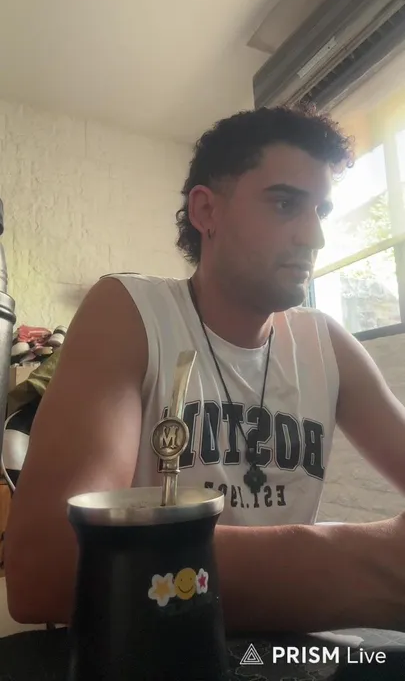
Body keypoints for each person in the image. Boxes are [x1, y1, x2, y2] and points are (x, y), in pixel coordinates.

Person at [5, 106, 405, 632]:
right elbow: (50, 566)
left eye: (321, 211)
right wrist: (373, 565)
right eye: (285, 203)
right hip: (154, 653)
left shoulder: (326, 342)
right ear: (206, 210)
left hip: (284, 655)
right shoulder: (130, 313)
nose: (315, 237)